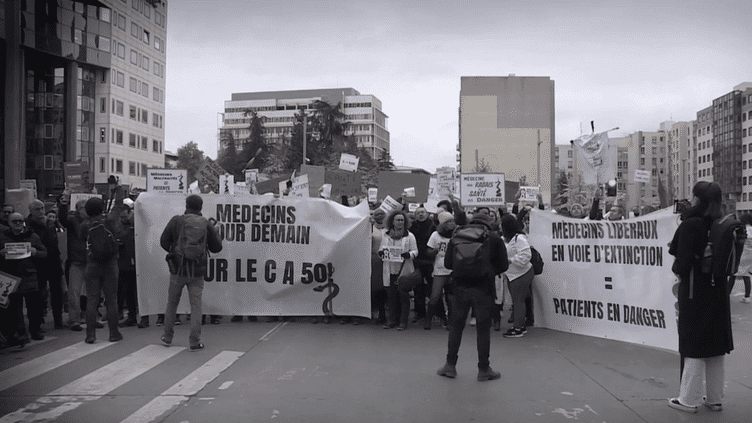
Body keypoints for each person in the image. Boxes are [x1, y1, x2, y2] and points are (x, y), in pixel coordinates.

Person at [667, 181, 731, 413]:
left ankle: (689, 399)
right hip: (718, 291)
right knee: (715, 344)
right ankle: (714, 398)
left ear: (696, 199)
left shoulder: (691, 224)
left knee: (693, 342)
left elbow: (681, 265)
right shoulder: (721, 224)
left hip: (695, 291)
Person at [438, 212, 508, 381]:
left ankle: (450, 365)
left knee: (456, 327)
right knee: (483, 330)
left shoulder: (458, 236)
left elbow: (448, 264)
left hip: (460, 287)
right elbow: (504, 265)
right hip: (484, 288)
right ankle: (484, 369)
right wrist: (489, 271)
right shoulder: (494, 238)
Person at [160, 195, 222, 351]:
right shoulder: (206, 224)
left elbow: (163, 241)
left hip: (178, 270)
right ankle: (194, 341)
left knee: (172, 304)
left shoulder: (177, 221)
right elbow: (216, 248)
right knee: (196, 306)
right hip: (197, 271)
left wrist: (176, 252)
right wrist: (216, 233)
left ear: (186, 205)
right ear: (201, 207)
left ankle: (167, 337)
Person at [80, 195, 124, 344]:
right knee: (111, 299)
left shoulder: (85, 225)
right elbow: (118, 207)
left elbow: (82, 239)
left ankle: (90, 335)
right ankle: (114, 333)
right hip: (110, 264)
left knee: (92, 299)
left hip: (92, 264)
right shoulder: (109, 221)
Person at [0, 212, 47, 345]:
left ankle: (35, 330)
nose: (18, 224)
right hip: (11, 276)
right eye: (15, 221)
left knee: (34, 307)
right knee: (15, 308)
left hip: (29, 275)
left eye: (20, 221)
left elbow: (44, 253)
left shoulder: (33, 236)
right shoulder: (2, 237)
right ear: (9, 223)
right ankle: (20, 333)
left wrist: (36, 252)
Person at [378, 210, 418, 330]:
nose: (400, 222)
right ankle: (391, 321)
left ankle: (403, 322)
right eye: (398, 220)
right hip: (390, 270)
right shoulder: (386, 235)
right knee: (391, 297)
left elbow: (415, 251)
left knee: (403, 297)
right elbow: (381, 250)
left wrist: (409, 255)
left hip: (403, 270)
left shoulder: (409, 236)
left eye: (402, 220)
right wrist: (381, 253)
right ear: (392, 221)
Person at [27, 199, 64, 330]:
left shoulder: (50, 223)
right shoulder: (28, 225)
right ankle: (39, 319)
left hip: (53, 262)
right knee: (40, 294)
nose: (41, 211)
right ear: (31, 211)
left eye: (42, 208)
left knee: (57, 293)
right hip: (38, 264)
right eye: (37, 209)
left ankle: (58, 319)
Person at [58, 197, 91, 331]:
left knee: (92, 293)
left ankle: (91, 318)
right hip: (76, 261)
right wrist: (63, 204)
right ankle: (74, 320)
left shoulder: (93, 220)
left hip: (90, 261)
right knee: (74, 293)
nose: (86, 210)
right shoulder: (73, 220)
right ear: (77, 210)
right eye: (83, 207)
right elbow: (63, 218)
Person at [499, 214, 534, 338]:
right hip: (511, 274)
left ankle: (518, 328)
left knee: (518, 301)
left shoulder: (519, 239)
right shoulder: (505, 238)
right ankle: (520, 325)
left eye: (501, 224)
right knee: (518, 300)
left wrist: (509, 260)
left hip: (521, 273)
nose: (499, 225)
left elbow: (526, 256)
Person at [424, 211, 454, 330]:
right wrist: (435, 251)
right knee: (435, 296)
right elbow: (428, 252)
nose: (451, 224)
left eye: (452, 221)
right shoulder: (435, 235)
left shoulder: (456, 234)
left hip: (452, 270)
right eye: (448, 222)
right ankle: (428, 320)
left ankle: (451, 321)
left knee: (451, 298)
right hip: (440, 270)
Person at [409, 206, 435, 324]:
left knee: (433, 288)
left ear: (427, 213)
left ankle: (435, 313)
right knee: (418, 288)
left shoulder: (433, 226)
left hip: (430, 261)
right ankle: (420, 312)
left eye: (423, 212)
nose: (420, 215)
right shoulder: (412, 227)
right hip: (417, 260)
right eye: (418, 213)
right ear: (415, 215)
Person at [117, 204, 139, 327]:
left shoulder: (132, 229)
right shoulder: (124, 228)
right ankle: (131, 315)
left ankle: (133, 315)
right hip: (126, 262)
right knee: (128, 290)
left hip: (131, 262)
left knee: (131, 290)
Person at [370, 208, 388, 324]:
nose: (380, 216)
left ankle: (384, 313)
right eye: (377, 214)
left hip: (387, 261)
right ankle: (374, 311)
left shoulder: (389, 228)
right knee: (376, 287)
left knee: (386, 288)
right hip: (374, 260)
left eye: (382, 214)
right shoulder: (370, 228)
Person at [733, 213, 752, 303]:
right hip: (750, 254)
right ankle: (747, 297)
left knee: (734, 274)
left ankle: (726, 294)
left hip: (742, 253)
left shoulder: (742, 229)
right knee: (746, 275)